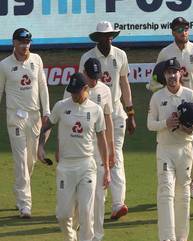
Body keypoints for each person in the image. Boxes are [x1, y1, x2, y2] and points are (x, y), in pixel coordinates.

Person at [148, 16, 193, 199]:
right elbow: (154, 80)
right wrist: (157, 88)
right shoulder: (165, 53)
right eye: (179, 29)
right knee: (174, 147)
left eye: (185, 29)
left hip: (192, 103)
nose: (183, 32)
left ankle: (192, 181)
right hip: (171, 103)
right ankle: (174, 182)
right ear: (173, 32)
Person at [38, 73, 110, 241]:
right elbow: (47, 126)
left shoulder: (96, 110)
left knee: (86, 212)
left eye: (77, 92)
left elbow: (101, 139)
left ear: (86, 89)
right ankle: (71, 238)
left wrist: (106, 168)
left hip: (87, 166)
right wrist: (40, 146)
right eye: (71, 92)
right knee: (63, 215)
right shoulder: (61, 106)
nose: (73, 95)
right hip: (65, 167)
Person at [79, 21, 136, 219]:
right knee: (97, 159)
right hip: (93, 117)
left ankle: (118, 204)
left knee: (115, 156)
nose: (108, 38)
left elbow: (124, 83)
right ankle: (97, 204)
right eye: (104, 35)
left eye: (111, 35)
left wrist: (131, 113)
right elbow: (81, 85)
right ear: (98, 38)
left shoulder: (120, 55)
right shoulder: (87, 57)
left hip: (116, 113)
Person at [147, 58, 193, 241]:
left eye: (174, 72)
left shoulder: (190, 95)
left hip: (184, 149)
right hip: (165, 149)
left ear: (181, 73)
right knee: (165, 191)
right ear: (164, 75)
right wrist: (166, 123)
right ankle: (167, 238)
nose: (172, 75)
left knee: (183, 194)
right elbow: (149, 124)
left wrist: (190, 128)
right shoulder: (157, 97)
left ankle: (182, 237)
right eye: (168, 72)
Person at [0, 28, 50, 218]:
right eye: (21, 42)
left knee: (31, 160)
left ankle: (19, 189)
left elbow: (43, 87)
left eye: (27, 42)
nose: (24, 46)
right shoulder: (4, 65)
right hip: (15, 117)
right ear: (13, 43)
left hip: (34, 116)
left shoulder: (36, 60)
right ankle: (24, 204)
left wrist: (46, 111)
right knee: (20, 161)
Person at [63, 58, 115, 241]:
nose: (93, 81)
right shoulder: (73, 89)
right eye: (90, 76)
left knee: (99, 196)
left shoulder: (105, 90)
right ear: (84, 73)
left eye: (96, 77)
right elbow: (63, 118)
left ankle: (96, 236)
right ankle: (76, 230)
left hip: (98, 148)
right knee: (79, 199)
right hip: (77, 149)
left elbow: (108, 120)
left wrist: (111, 148)